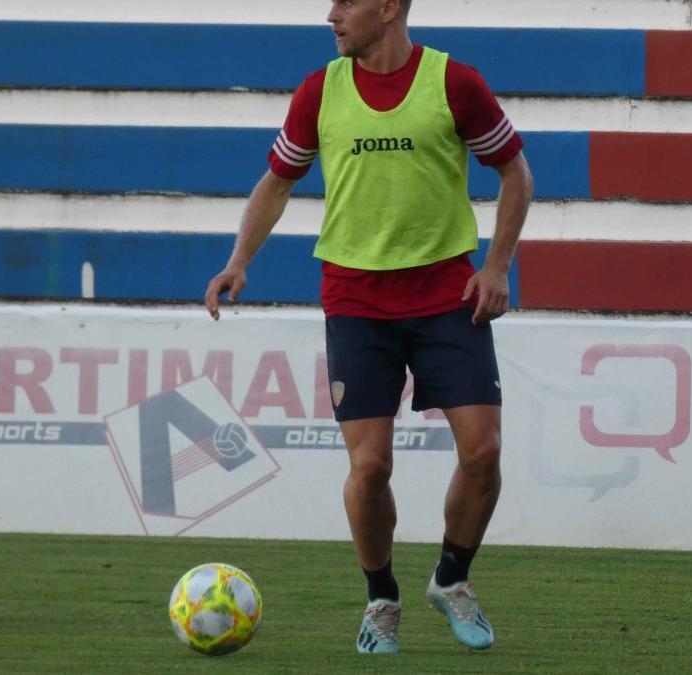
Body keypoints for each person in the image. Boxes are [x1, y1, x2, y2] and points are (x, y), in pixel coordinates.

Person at [204, 0, 533, 654]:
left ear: (388, 8)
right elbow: (277, 181)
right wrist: (239, 261)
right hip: (355, 298)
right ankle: (381, 596)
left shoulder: (454, 83)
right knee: (371, 464)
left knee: (484, 451)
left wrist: (497, 266)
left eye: (345, 2)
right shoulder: (319, 91)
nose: (331, 15)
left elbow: (515, 173)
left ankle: (451, 578)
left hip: (446, 291)